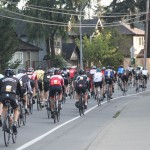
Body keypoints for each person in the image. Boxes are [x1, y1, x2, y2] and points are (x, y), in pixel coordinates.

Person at [0, 68, 23, 134]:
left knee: (4, 107)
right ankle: (15, 124)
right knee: (16, 109)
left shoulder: (1, 79)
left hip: (3, 96)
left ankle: (2, 120)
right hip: (12, 96)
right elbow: (20, 90)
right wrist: (21, 97)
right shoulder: (16, 79)